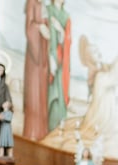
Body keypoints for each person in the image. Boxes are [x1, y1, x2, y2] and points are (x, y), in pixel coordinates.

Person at [23, 0, 50, 140]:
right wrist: (40, 28)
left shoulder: (44, 5)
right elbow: (29, 26)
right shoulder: (32, 3)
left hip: (43, 53)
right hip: (35, 56)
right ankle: (32, 131)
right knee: (34, 91)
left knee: (42, 92)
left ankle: (42, 131)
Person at [46, 0, 71, 132]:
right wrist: (50, 56)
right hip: (48, 57)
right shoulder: (47, 10)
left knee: (60, 91)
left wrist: (60, 30)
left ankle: (58, 127)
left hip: (61, 61)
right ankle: (50, 126)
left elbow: (67, 40)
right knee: (50, 93)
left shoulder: (66, 16)